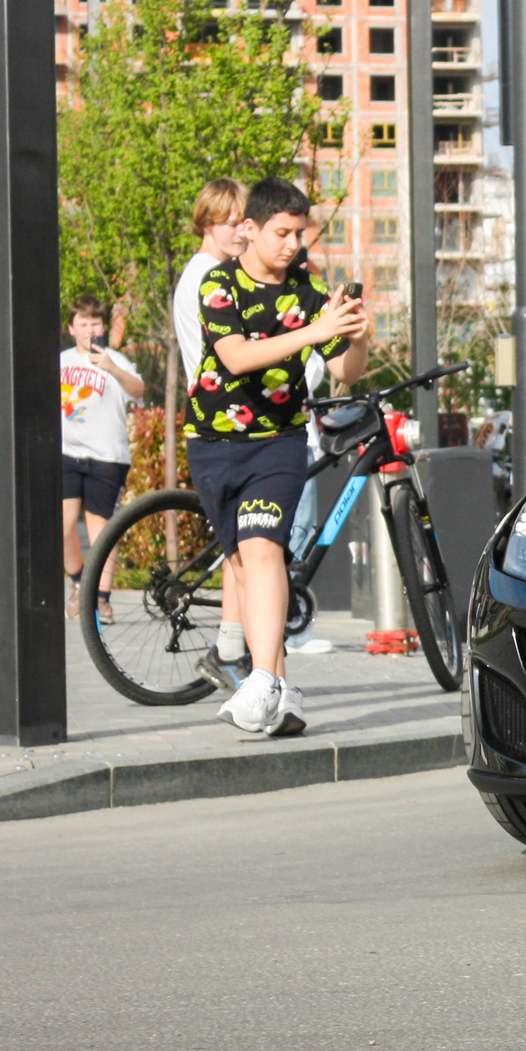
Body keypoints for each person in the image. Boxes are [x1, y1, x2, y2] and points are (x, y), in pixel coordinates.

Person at [187, 177, 370, 738]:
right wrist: (314, 330)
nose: (292, 244)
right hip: (213, 443)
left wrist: (357, 334)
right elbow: (237, 357)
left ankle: (261, 676)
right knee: (243, 565)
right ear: (250, 229)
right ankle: (282, 692)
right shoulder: (219, 284)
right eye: (281, 232)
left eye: (299, 233)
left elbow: (346, 373)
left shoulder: (310, 294)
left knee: (264, 549)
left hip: (280, 442)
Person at [168, 179, 253, 669]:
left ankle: (232, 644)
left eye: (246, 222)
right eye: (230, 222)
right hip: (225, 420)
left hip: (221, 417)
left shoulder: (211, 272)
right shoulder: (208, 279)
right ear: (206, 223)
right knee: (249, 551)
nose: (241, 232)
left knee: (243, 547)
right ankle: (235, 650)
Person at [58, 294, 147, 620]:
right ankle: (80, 583)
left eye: (94, 323)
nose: (89, 330)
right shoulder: (62, 361)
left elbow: (138, 391)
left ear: (103, 326)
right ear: (71, 328)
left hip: (107, 456)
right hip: (67, 452)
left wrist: (110, 367)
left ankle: (101, 597)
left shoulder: (116, 359)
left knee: (101, 530)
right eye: (82, 324)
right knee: (62, 523)